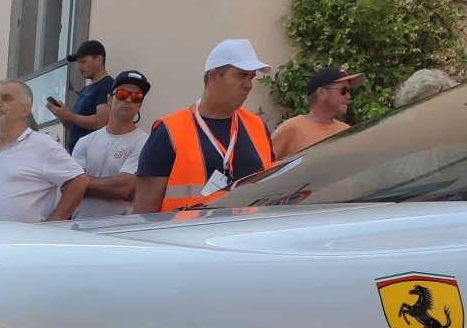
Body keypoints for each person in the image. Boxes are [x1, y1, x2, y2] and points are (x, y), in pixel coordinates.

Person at [133, 39, 276, 214]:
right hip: (185, 237)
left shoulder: (258, 126)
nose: (249, 85)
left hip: (248, 237)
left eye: (251, 77)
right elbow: (144, 213)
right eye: (241, 75)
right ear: (214, 76)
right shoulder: (168, 131)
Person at [0, 80, 87, 223]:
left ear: (25, 109)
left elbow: (79, 181)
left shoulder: (43, 145)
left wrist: (54, 222)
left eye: (6, 99)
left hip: (20, 243)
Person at [71, 70, 151, 220]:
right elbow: (68, 185)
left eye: (136, 97)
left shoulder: (146, 143)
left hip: (118, 233)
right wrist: (110, 187)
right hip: (79, 228)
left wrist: (82, 184)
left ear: (140, 105)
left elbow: (124, 188)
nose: (128, 100)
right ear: (109, 99)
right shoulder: (85, 142)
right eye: (122, 94)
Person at [271, 67, 366, 158]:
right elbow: (264, 167)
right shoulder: (290, 129)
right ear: (321, 93)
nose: (349, 96)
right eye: (344, 90)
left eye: (349, 91)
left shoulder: (346, 130)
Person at [49, 40, 114, 154]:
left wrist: (70, 116)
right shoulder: (86, 89)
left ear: (98, 59)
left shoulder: (107, 84)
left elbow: (102, 121)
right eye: (78, 63)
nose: (79, 67)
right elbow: (73, 126)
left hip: (92, 155)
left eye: (83, 61)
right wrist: (63, 116)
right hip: (77, 155)